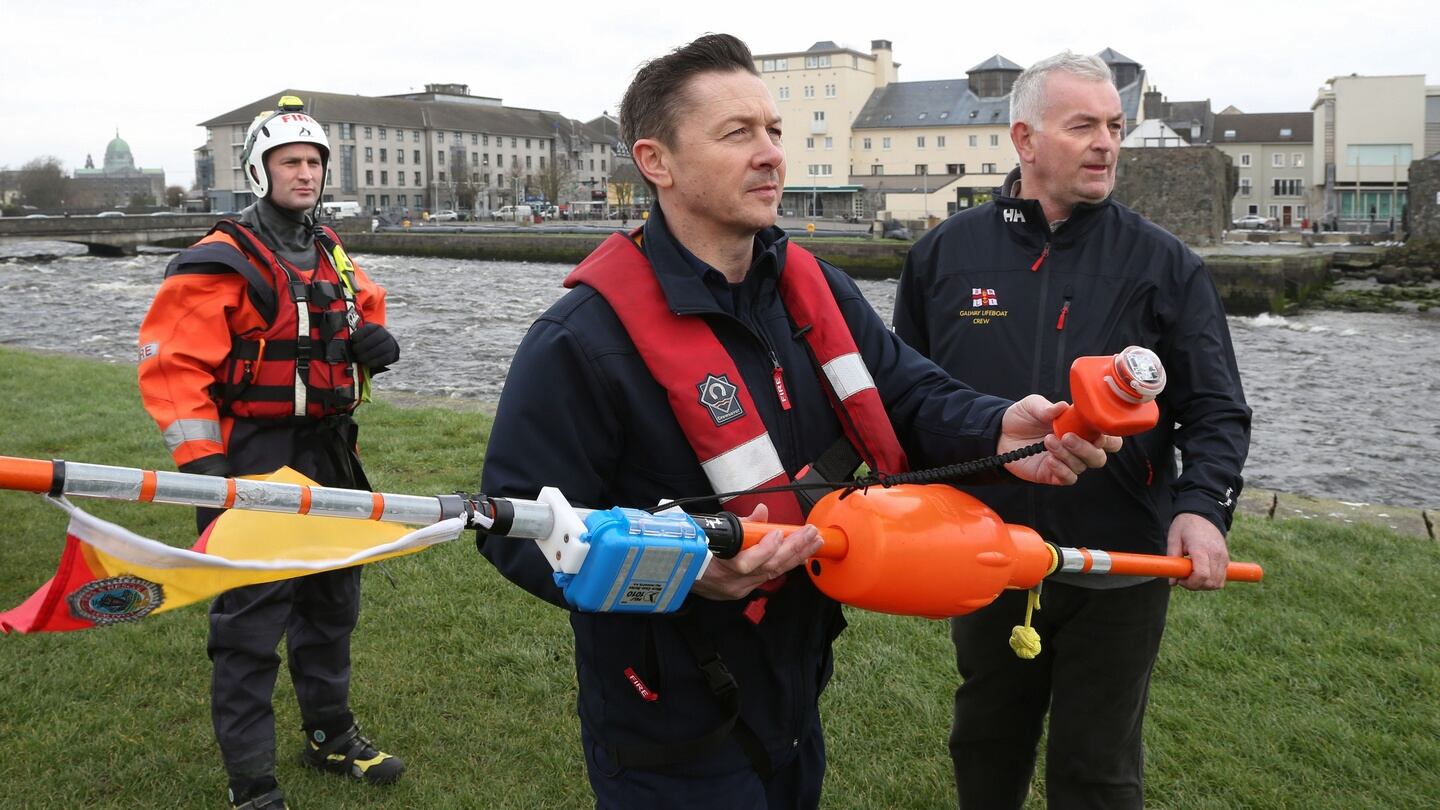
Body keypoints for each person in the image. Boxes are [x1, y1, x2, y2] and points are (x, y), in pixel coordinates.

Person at [478, 35, 1116, 810]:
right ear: (656, 162)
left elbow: (909, 397)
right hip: (663, 722)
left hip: (795, 690)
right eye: (737, 133)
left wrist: (999, 428)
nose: (771, 154)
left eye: (775, 131)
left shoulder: (819, 290)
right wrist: (681, 577)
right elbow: (512, 523)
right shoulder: (580, 341)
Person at [892, 52, 1252, 808]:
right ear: (1024, 139)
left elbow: (1216, 408)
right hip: (989, 550)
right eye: (1083, 125)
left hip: (1119, 558)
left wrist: (1201, 506)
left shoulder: (1165, 265)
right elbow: (909, 401)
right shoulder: (942, 258)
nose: (1107, 144)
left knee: (1097, 765)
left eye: (1115, 127)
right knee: (986, 741)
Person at [137, 96, 405, 810]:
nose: (306, 173)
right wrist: (206, 471)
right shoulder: (221, 260)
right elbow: (171, 366)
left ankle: (330, 735)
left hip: (331, 453)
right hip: (253, 455)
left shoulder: (328, 248)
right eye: (292, 161)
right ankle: (252, 783)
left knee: (331, 601)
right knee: (251, 620)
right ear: (261, 169)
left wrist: (374, 345)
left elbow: (356, 309)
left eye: (315, 161)